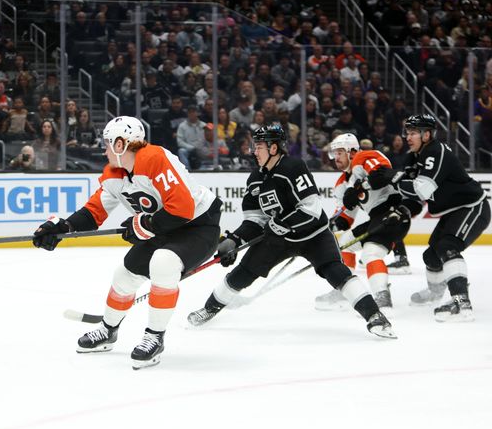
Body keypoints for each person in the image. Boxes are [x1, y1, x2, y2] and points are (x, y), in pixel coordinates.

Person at [32, 116, 222, 369]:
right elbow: (93, 211)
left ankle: (155, 337)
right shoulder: (114, 173)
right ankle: (108, 330)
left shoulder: (154, 158)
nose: (105, 149)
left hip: (198, 226)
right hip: (165, 228)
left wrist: (145, 225)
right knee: (124, 274)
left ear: (121, 144)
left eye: (109, 143)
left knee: (163, 263)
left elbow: (183, 209)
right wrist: (63, 227)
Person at [187, 125, 396, 339]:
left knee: (336, 272)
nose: (254, 151)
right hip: (278, 239)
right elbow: (255, 220)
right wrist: (234, 240)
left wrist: (281, 224)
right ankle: (209, 309)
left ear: (274, 148)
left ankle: (375, 316)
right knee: (242, 273)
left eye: (258, 147)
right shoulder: (255, 180)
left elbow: (311, 209)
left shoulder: (293, 167)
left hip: (314, 234)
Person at [373, 114, 491, 321]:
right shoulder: (413, 157)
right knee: (431, 256)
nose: (408, 137)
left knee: (447, 246)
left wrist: (394, 177)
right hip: (452, 210)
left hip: (472, 207)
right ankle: (436, 293)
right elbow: (414, 198)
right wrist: (401, 211)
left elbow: (423, 191)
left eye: (413, 133)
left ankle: (462, 303)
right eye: (407, 132)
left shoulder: (436, 152)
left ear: (427, 135)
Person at [313, 133, 412, 312]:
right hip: (376, 219)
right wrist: (328, 227)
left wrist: (358, 187)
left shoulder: (364, 157)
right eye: (334, 154)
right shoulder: (341, 183)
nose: (336, 158)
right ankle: (346, 290)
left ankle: (382, 297)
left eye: (339, 152)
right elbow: (346, 218)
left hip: (393, 214)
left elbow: (382, 174)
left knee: (370, 254)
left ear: (352, 152)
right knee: (342, 244)